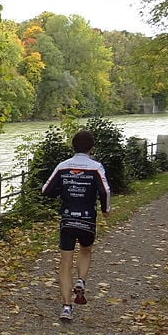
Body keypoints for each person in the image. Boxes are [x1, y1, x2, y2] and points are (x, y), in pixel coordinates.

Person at [41, 130, 111, 321]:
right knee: (86, 251)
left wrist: (63, 191)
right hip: (88, 219)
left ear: (73, 146)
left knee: (65, 263)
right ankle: (81, 280)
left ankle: (66, 307)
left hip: (67, 219)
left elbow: (45, 190)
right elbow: (105, 191)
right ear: (91, 148)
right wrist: (105, 210)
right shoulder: (96, 167)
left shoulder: (63, 166)